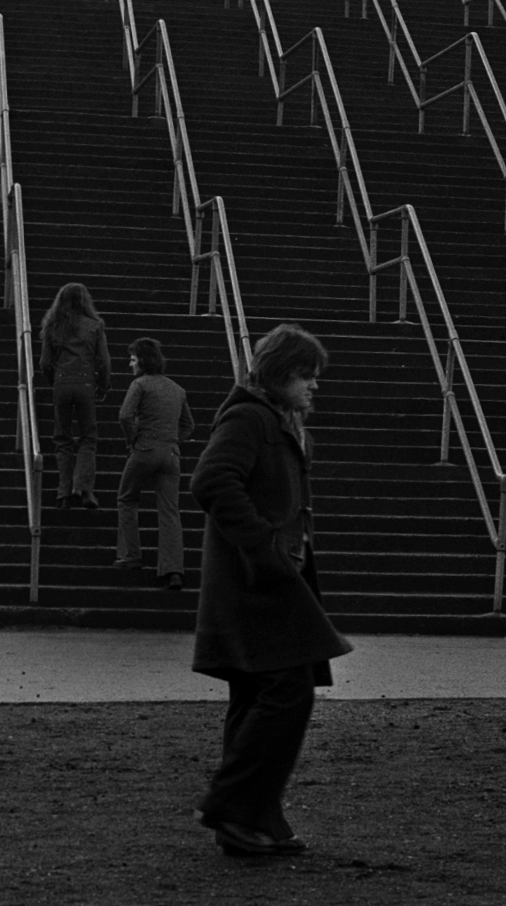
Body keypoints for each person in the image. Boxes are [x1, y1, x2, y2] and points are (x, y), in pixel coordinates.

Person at [190, 323, 353, 858]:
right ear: (279, 373)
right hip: (257, 582)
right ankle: (233, 804)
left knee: (259, 692)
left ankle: (251, 817)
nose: (314, 386)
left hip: (266, 579)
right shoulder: (249, 419)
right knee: (288, 690)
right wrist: (263, 546)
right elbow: (211, 480)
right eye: (306, 375)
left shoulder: (275, 422)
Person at [118, 337, 195, 588]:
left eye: (132, 358)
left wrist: (134, 442)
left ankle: (131, 555)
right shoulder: (178, 389)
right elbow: (189, 426)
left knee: (127, 498)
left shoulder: (139, 385)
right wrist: (172, 441)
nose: (130, 363)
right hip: (171, 455)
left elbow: (125, 416)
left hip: (144, 449)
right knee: (170, 511)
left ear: (142, 360)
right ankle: (173, 570)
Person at [38, 282, 111, 512]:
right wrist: (103, 386)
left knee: (62, 438)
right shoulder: (95, 326)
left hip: (61, 382)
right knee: (88, 437)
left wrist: (55, 380)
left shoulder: (53, 326)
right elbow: (104, 361)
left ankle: (63, 492)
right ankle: (83, 487)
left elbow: (44, 363)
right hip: (86, 383)